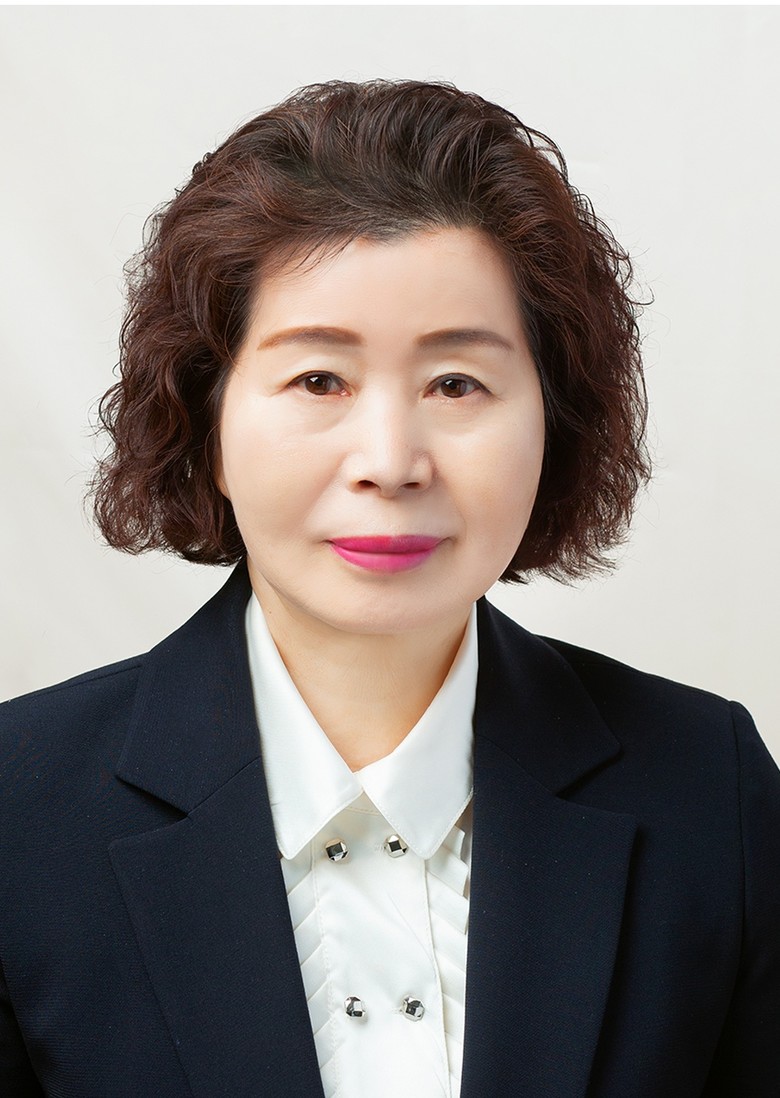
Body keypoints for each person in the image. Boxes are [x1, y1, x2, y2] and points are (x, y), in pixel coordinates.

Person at [0, 78, 777, 1098]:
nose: (390, 461)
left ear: (554, 423)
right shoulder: (18, 810)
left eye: (456, 384)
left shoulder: (708, 788)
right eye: (318, 380)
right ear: (208, 421)